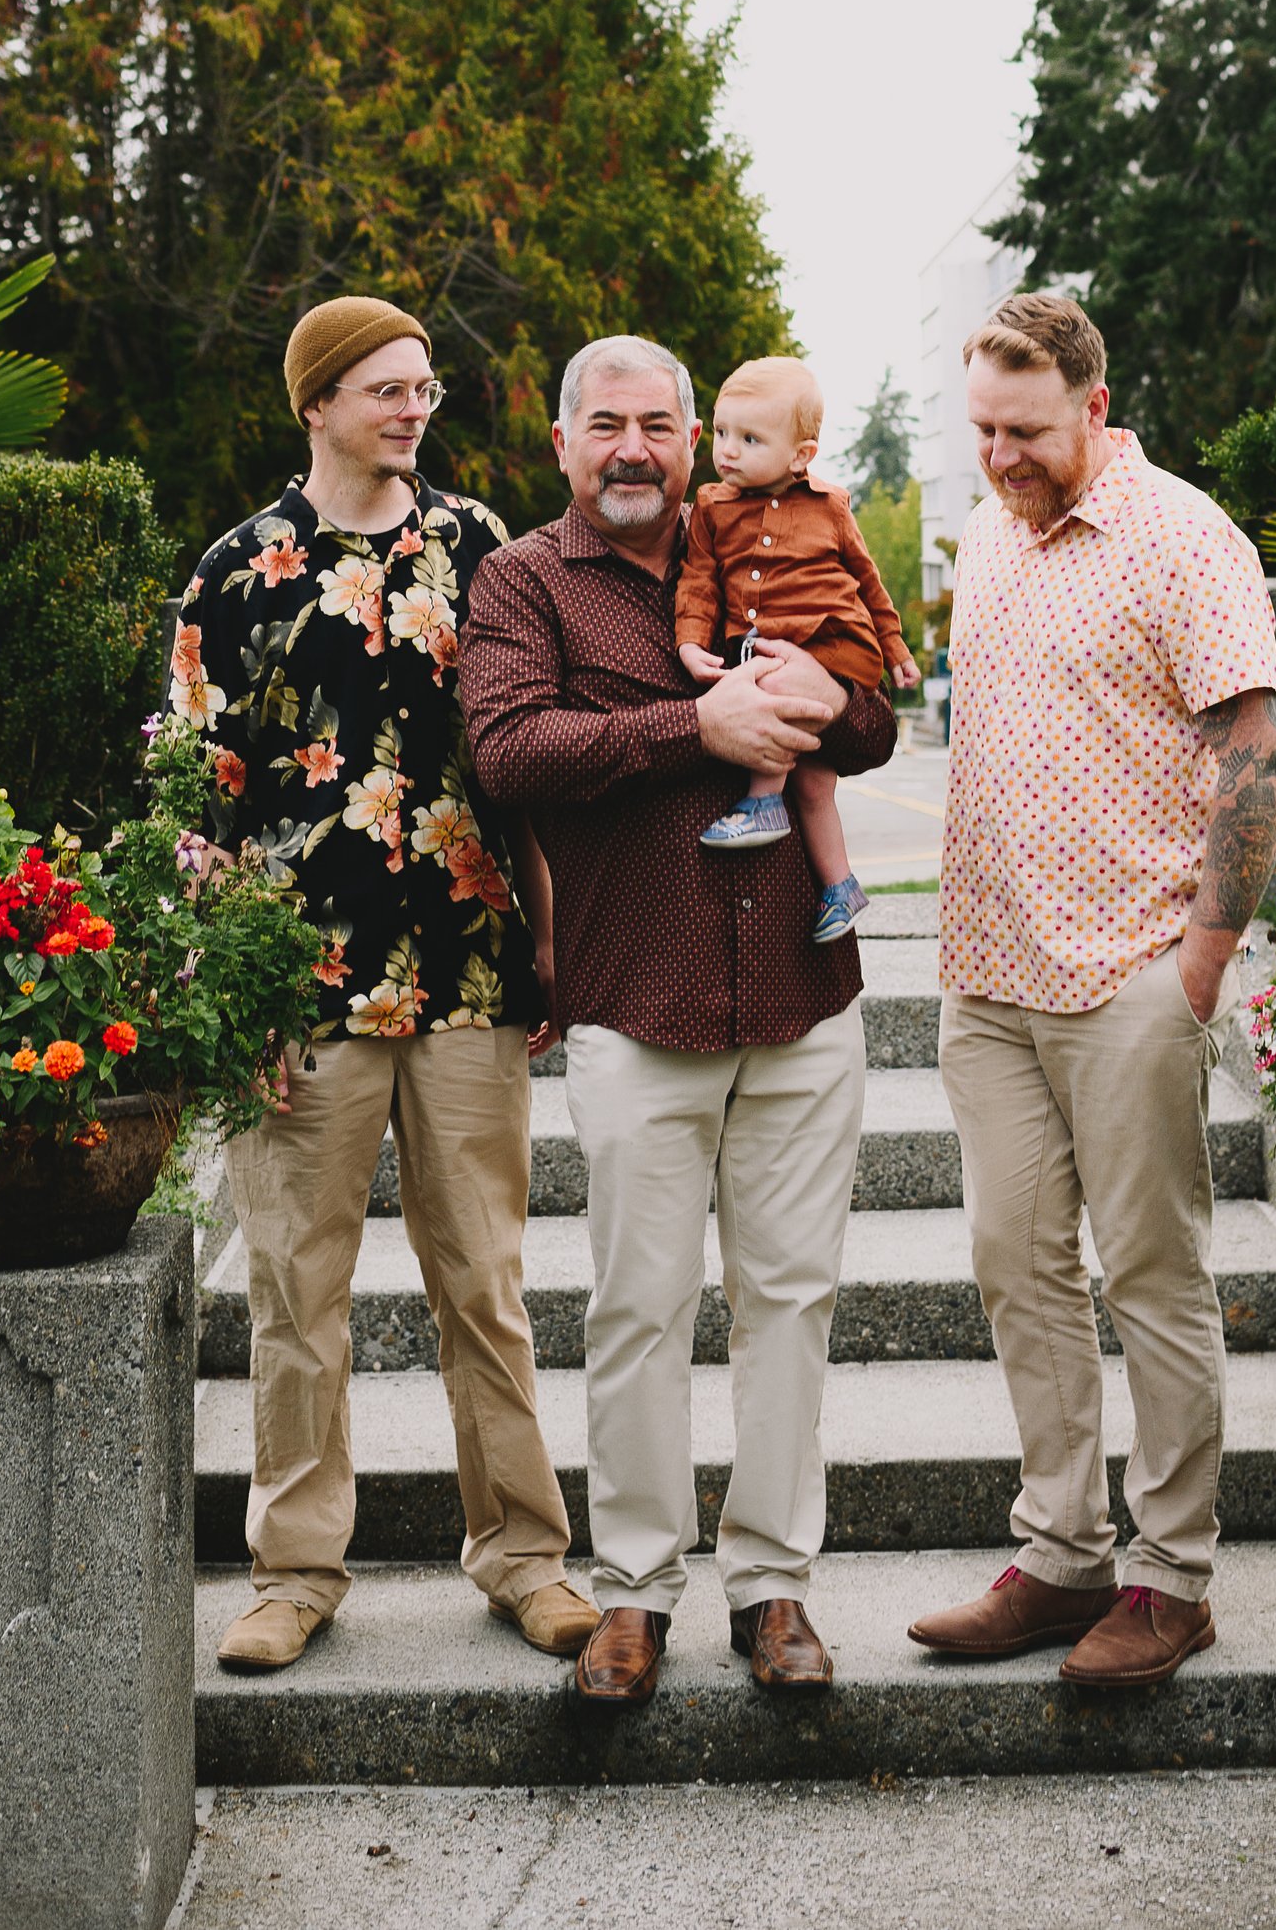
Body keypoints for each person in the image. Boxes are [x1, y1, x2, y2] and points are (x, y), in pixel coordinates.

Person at [459, 335, 899, 1708]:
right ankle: (637, 1591)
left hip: (798, 1000)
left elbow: (875, 711)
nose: (634, 446)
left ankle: (772, 1587)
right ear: (562, 443)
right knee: (639, 1307)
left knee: (790, 1303)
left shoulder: (767, 537)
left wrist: (836, 700)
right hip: (634, 1002)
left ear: (698, 434)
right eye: (608, 424)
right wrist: (693, 726)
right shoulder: (523, 582)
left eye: (658, 422)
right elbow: (512, 748)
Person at [179, 293, 595, 1676]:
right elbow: (200, 803)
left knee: (486, 1284)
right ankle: (295, 1575)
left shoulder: (486, 549)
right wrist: (230, 1002)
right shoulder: (238, 572)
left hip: (473, 976)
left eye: (425, 387)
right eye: (384, 388)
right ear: (317, 402)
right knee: (298, 1297)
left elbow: (531, 763)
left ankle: (526, 1558)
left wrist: (553, 945)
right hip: (302, 992)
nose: (414, 407)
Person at [909, 290, 1276, 1692]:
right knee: (1017, 1270)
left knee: (1150, 1275)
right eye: (983, 430)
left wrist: (1199, 959)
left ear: (1092, 404)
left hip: (1133, 969)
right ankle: (1060, 1550)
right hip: (991, 978)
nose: (1000, 455)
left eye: (1023, 430)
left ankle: (1170, 1575)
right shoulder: (988, 538)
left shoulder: (1183, 536)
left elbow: (1260, 751)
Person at [674, 354, 921, 943]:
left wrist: (897, 649)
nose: (728, 450)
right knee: (814, 784)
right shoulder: (712, 506)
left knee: (765, 688)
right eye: (723, 431)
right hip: (764, 643)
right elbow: (699, 581)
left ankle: (762, 802)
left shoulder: (830, 507)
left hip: (836, 642)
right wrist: (688, 640)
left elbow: (868, 581)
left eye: (751, 438)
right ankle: (840, 886)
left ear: (800, 455)